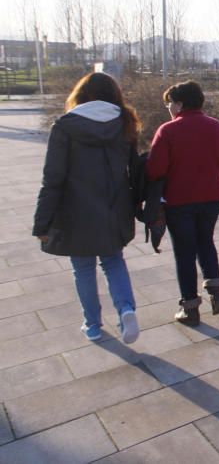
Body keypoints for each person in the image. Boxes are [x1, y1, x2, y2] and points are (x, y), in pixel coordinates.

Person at [33, 72, 141, 344]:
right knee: (113, 261)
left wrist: (42, 223)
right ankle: (126, 309)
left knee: (82, 268)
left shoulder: (65, 126)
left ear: (80, 95)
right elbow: (135, 171)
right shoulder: (124, 123)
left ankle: (92, 325)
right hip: (115, 209)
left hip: (75, 213)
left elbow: (53, 179)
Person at [146, 80, 219, 326]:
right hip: (211, 199)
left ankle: (190, 308)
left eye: (170, 103)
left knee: (184, 251)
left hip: (179, 201)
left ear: (180, 103)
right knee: (205, 241)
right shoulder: (218, 128)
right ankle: (217, 293)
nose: (168, 108)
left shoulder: (167, 131)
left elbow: (154, 170)